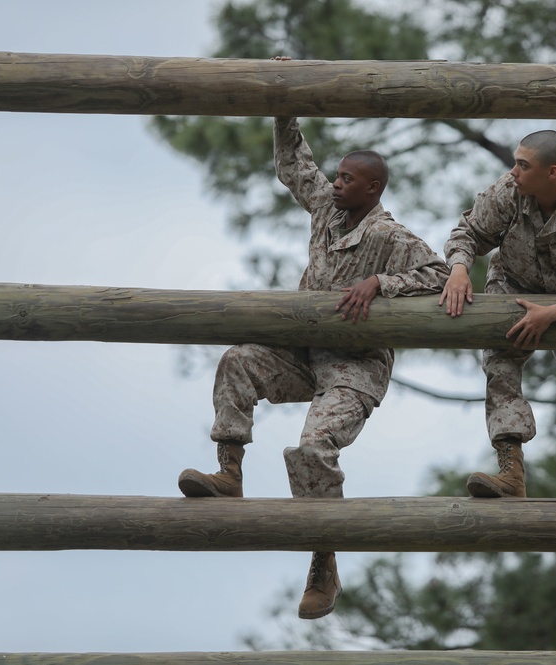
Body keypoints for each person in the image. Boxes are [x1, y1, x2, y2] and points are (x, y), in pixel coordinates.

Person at [178, 112, 450, 620]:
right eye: (338, 175)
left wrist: (381, 284)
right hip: (303, 353)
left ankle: (323, 559)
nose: (337, 183)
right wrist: (286, 107)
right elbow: (292, 164)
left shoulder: (389, 236)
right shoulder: (328, 208)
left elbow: (437, 273)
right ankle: (229, 472)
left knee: (311, 449)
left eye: (348, 179)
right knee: (239, 360)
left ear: (373, 189)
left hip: (354, 366)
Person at [439, 129, 556, 500]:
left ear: (553, 173)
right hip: (513, 286)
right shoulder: (509, 191)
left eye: (523, 165)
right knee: (500, 362)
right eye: (515, 161)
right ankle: (510, 473)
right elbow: (468, 231)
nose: (513, 171)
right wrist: (460, 268)